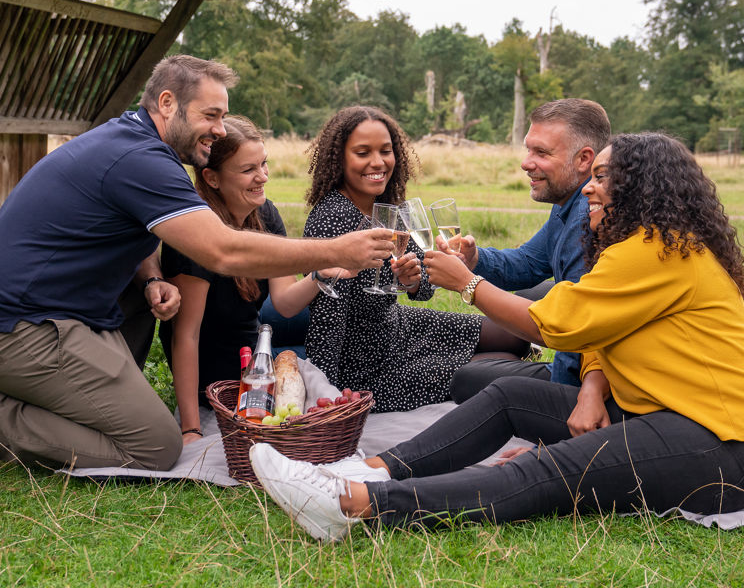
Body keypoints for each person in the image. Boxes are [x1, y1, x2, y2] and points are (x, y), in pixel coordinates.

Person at [249, 132, 744, 541]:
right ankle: (365, 469)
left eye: (602, 178)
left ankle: (352, 505)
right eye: (591, 178)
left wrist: (466, 283)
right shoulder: (648, 247)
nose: (590, 190)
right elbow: (601, 330)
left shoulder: (657, 251)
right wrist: (592, 387)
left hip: (713, 439)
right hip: (653, 412)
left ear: (642, 187)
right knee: (507, 393)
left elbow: (560, 324)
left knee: (543, 471)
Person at [0, 56, 393, 477]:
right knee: (155, 446)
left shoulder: (132, 142)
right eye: (210, 115)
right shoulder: (141, 159)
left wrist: (153, 276)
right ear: (167, 103)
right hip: (15, 324)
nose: (219, 128)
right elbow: (223, 252)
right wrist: (336, 250)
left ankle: (27, 396)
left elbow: (119, 223)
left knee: (139, 351)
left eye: (223, 116)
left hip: (57, 313)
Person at [303, 105, 529, 413]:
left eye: (386, 151)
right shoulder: (333, 219)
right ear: (339, 158)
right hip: (366, 369)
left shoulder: (385, 207)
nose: (378, 162)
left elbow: (423, 287)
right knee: (504, 365)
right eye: (362, 152)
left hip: (400, 328)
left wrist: (411, 281)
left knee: (516, 337)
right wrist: (326, 393)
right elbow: (327, 314)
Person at [160, 116, 327, 444]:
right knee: (309, 362)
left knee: (316, 344)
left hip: (254, 351)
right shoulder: (195, 234)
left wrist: (322, 273)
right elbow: (186, 336)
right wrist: (191, 428)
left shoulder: (265, 215)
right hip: (217, 375)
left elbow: (285, 303)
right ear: (212, 178)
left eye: (263, 164)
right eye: (248, 169)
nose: (262, 176)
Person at [449, 98, 611, 401]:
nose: (526, 162)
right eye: (528, 149)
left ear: (583, 159)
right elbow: (528, 262)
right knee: (531, 298)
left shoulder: (585, 217)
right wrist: (476, 258)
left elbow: (571, 329)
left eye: (541, 152)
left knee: (466, 380)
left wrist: (465, 282)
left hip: (584, 385)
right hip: (575, 361)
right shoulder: (569, 203)